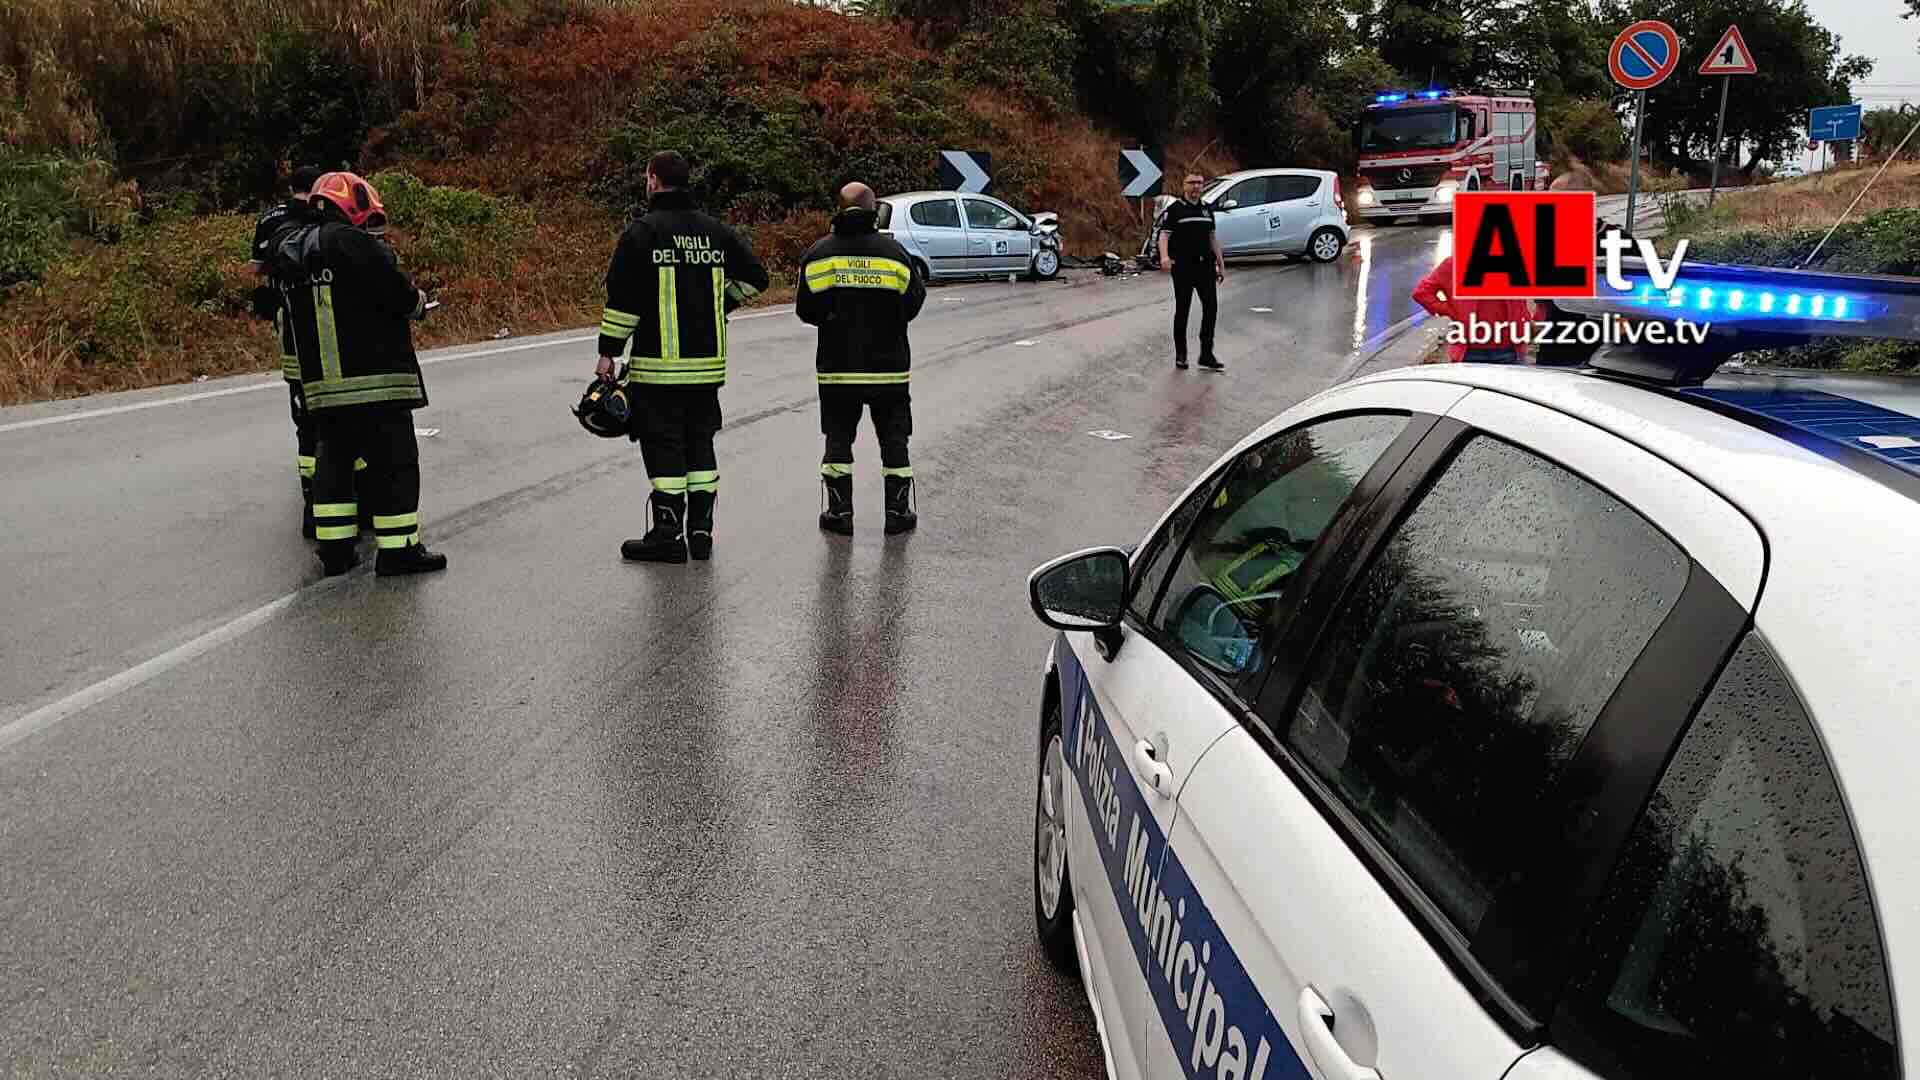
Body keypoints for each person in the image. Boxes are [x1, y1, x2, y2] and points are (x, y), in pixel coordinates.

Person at [596, 151, 770, 563]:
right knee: (700, 445)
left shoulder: (642, 233)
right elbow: (757, 278)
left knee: (664, 447)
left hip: (658, 370)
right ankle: (702, 533)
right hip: (706, 370)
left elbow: (623, 301)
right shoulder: (715, 231)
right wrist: (720, 304)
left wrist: (608, 353)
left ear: (654, 181)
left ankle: (667, 535)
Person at [271, 171, 447, 578]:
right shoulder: (354, 243)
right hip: (376, 383)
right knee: (395, 464)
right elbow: (396, 292)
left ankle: (335, 551)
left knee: (333, 464)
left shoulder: (294, 249)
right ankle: (399, 551)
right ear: (352, 205)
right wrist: (417, 301)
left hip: (322, 391)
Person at [796, 181, 929, 536]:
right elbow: (913, 302)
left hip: (838, 371)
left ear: (838, 210)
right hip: (889, 371)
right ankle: (897, 513)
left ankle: (840, 514)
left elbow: (806, 310)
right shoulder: (896, 254)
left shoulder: (819, 254)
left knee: (838, 440)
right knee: (894, 440)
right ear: (874, 212)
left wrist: (834, 317)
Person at [250, 164, 329, 536]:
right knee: (340, 421)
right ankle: (349, 495)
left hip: (290, 324)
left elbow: (257, 269)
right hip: (329, 327)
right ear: (317, 188)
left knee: (305, 418)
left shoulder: (270, 221)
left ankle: (310, 493)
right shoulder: (328, 216)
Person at [1157, 173, 1226, 372]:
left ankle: (1206, 354)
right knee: (1183, 310)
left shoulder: (1206, 209)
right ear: (1184, 185)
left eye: (1199, 183)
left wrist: (1220, 263)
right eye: (1192, 183)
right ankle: (1181, 355)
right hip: (1183, 267)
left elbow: (1212, 237)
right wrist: (1164, 257)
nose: (1196, 186)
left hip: (1205, 267)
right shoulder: (1176, 209)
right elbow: (1164, 236)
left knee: (1211, 308)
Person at [1412, 254, 1535, 363]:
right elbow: (1422, 293)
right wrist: (1449, 310)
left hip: (1509, 348)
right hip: (1471, 351)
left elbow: (1520, 301)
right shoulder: (1454, 264)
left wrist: (1526, 320)